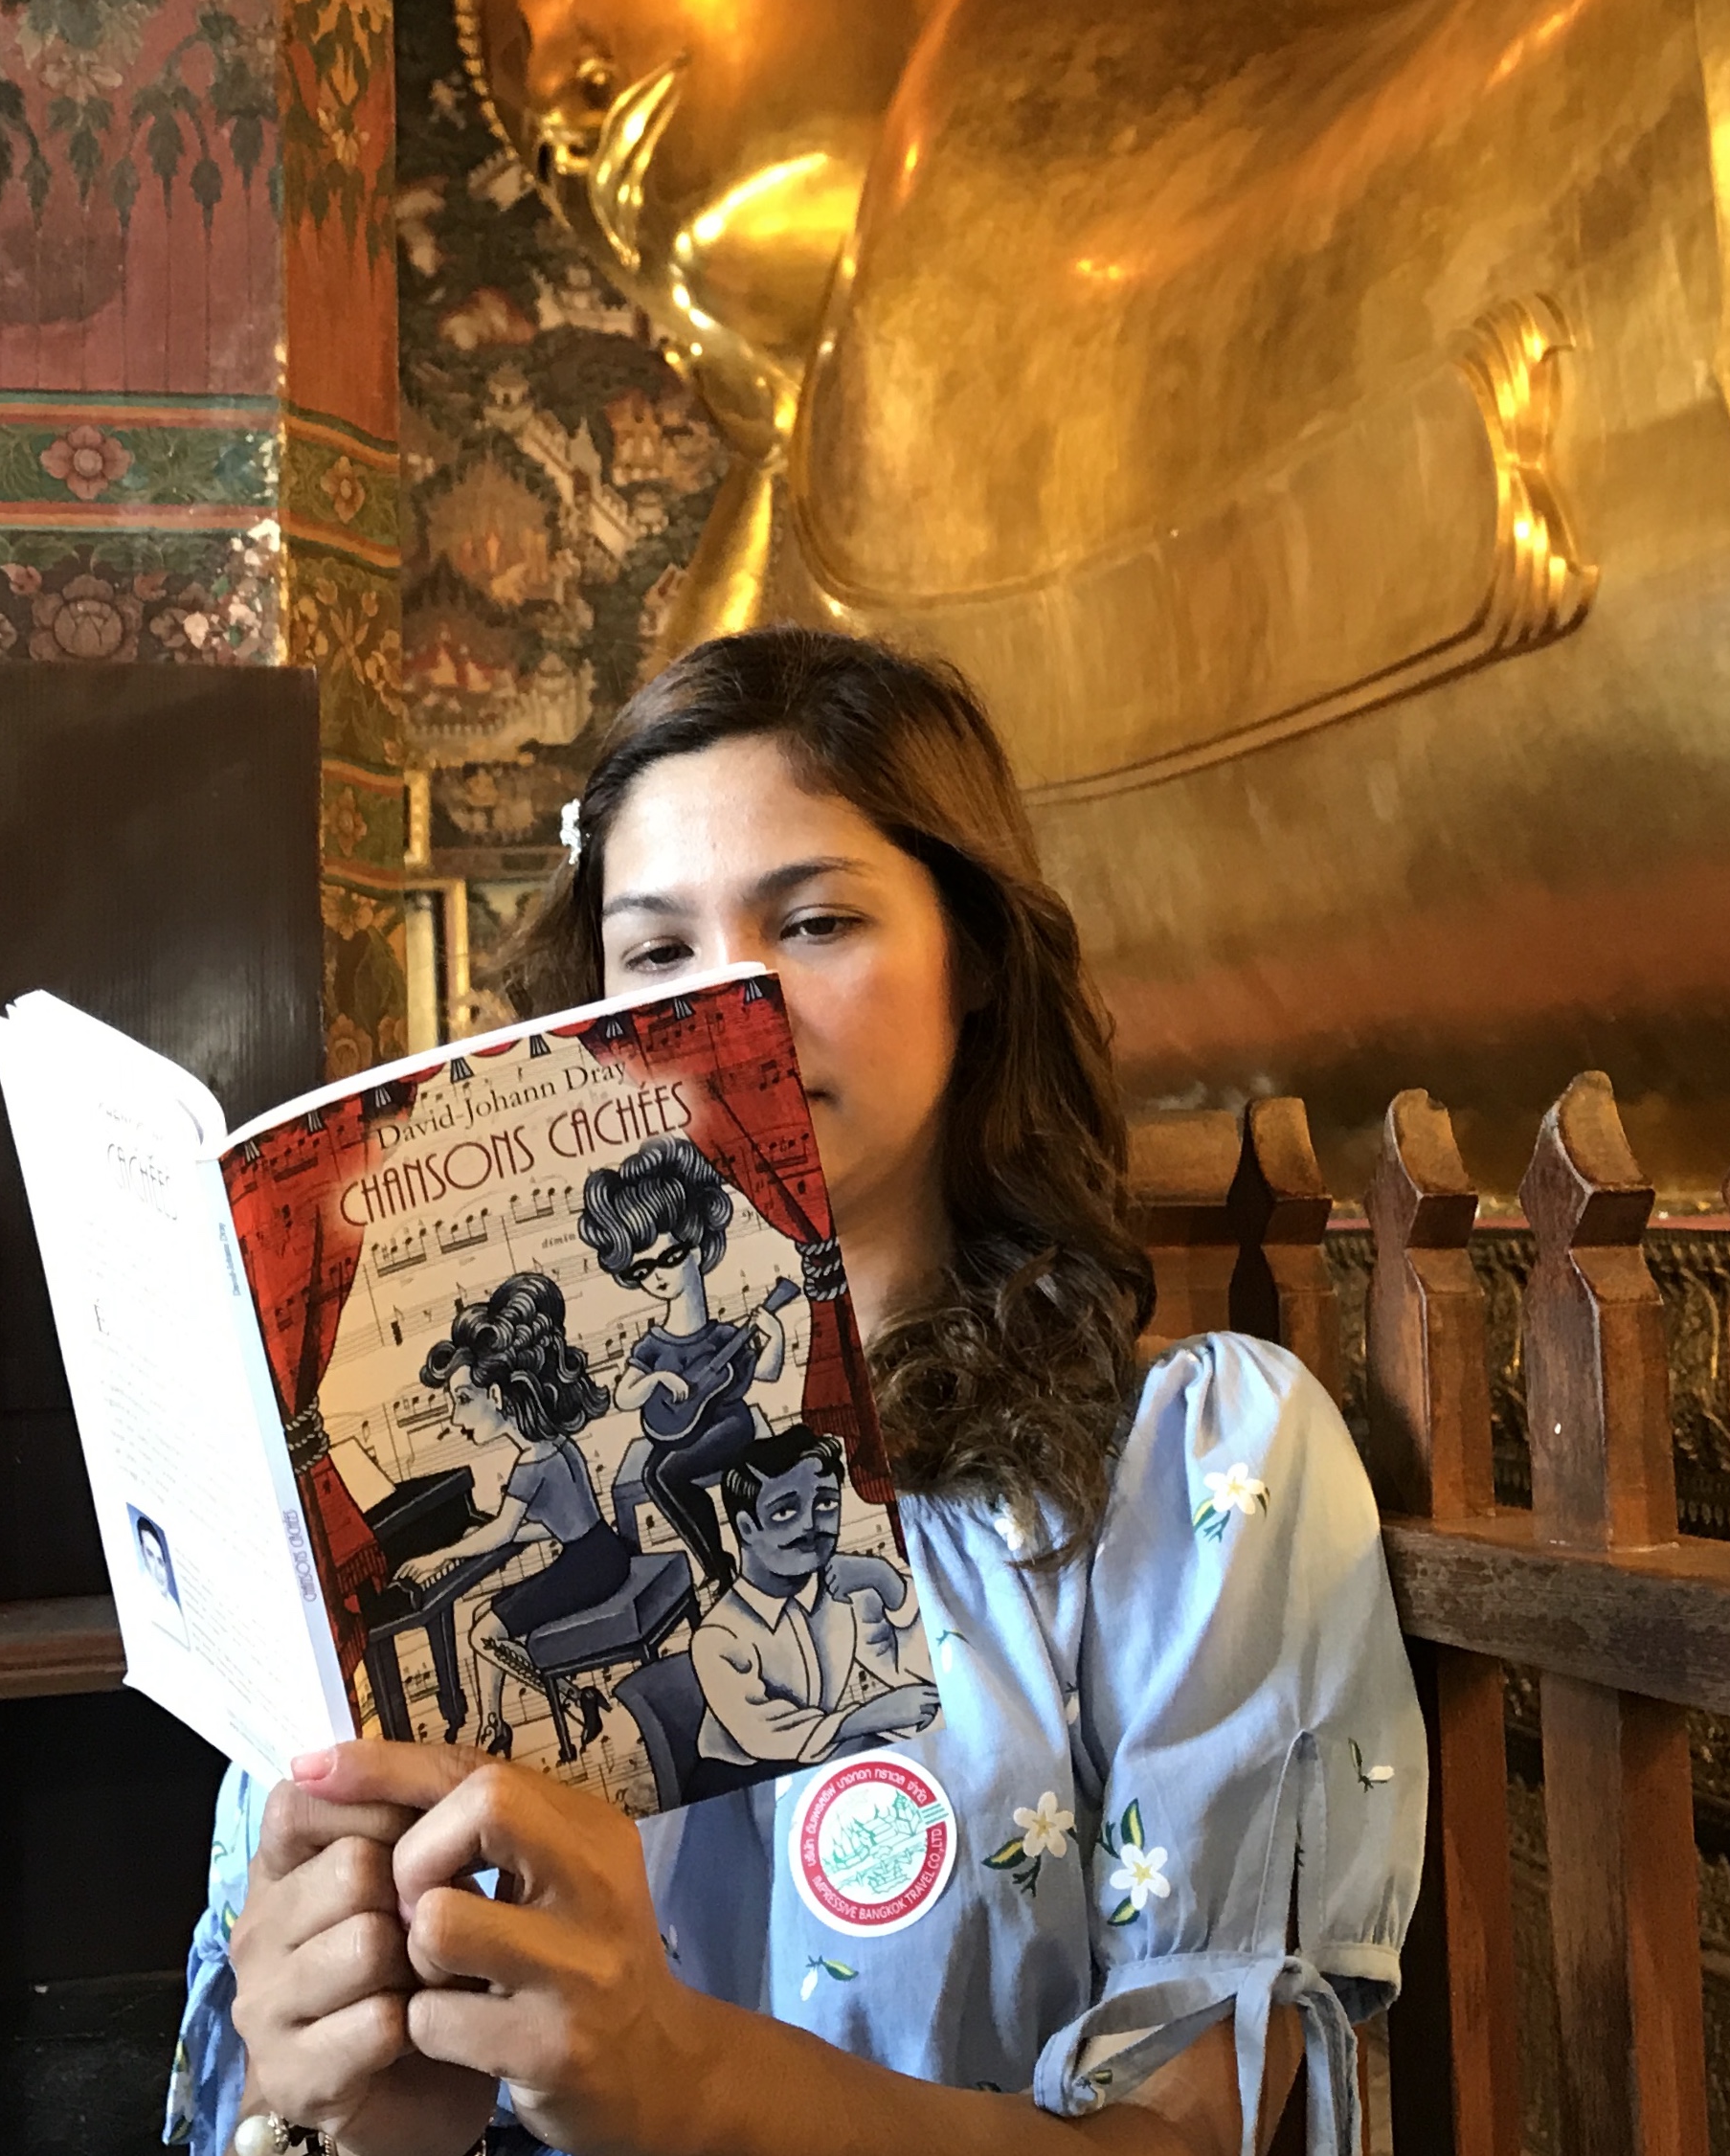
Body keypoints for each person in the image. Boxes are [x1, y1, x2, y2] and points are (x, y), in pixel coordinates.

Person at [171, 628, 1424, 2156]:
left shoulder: (1193, 1473)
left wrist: (683, 2083)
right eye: (654, 953)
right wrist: (353, 2105)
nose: (726, 1012)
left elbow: (1178, 2138)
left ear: (972, 960)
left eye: (815, 920)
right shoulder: (424, 1517)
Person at [389, 1272, 624, 1757]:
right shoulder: (554, 1444)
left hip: (590, 1568)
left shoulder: (531, 1463)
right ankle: (492, 1727)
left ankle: (579, 1701)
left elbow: (501, 1532)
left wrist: (441, 1556)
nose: (455, 1419)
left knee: (483, 1634)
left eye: (462, 1400)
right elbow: (566, 1520)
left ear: (496, 1397)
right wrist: (507, 1534)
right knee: (482, 1616)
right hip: (601, 1552)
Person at [578, 1134, 789, 1590]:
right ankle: (718, 1566)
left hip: (731, 1426)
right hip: (679, 1431)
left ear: (694, 1249)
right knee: (655, 1474)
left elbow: (769, 1372)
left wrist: (775, 1336)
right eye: (641, 1270)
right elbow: (623, 1395)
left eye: (668, 1258)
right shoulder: (653, 1345)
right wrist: (657, 1379)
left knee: (668, 1472)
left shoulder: (724, 1338)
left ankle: (726, 1570)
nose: (656, 1276)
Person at [685, 1423, 933, 1772]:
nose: (811, 1525)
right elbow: (764, 1734)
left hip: (823, 1755)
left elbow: (931, 1674)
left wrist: (888, 1583)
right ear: (746, 1528)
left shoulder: (846, 1590)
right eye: (786, 1511)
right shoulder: (719, 1635)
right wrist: (868, 1717)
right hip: (739, 1779)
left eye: (827, 1503)